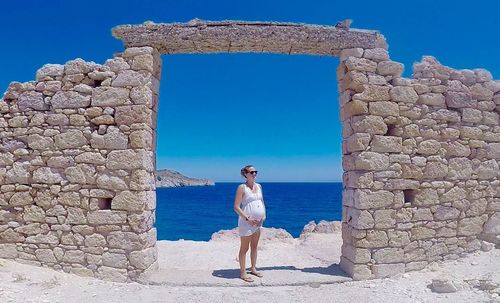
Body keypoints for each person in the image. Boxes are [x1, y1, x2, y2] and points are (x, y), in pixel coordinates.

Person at [233, 165, 266, 283]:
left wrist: (264, 216)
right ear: (245, 174)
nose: (254, 174)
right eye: (252, 172)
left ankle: (253, 268)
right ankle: (243, 272)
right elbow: (236, 207)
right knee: (244, 248)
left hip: (258, 223)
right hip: (246, 222)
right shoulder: (242, 188)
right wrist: (248, 219)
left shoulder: (259, 186)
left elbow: (262, 202)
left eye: (255, 172)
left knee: (254, 247)